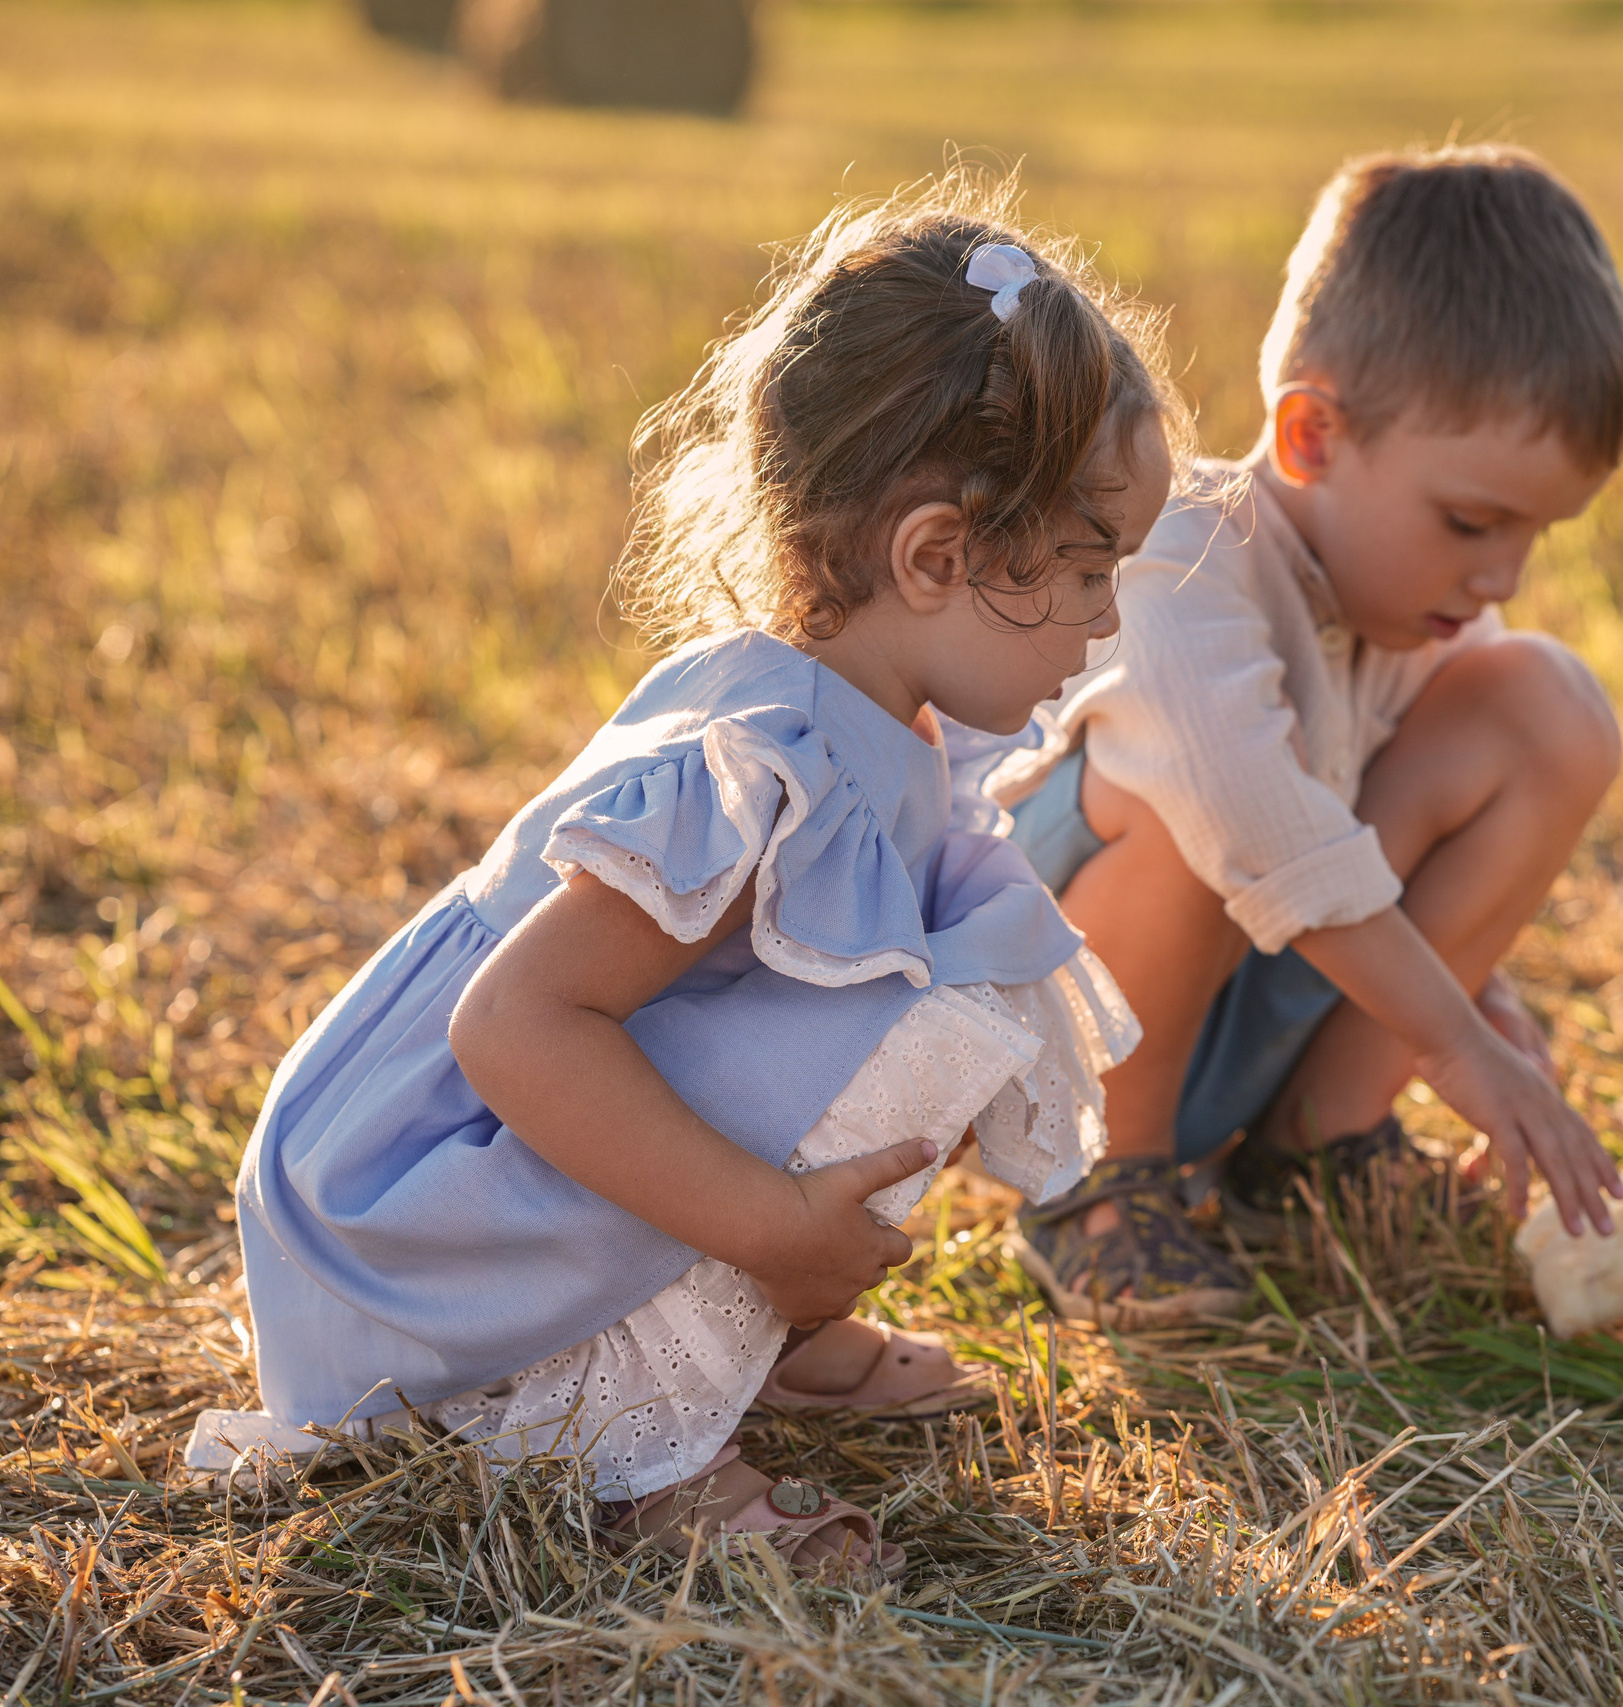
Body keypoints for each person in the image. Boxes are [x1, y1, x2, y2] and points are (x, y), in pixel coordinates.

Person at [188, 174, 1181, 1578]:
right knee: (911, 1021)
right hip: (420, 1222)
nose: (1107, 618)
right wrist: (775, 1226)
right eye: (1090, 570)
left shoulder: (884, 725)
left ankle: (759, 1344)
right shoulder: (763, 762)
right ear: (939, 554)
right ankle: (623, 1446)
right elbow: (512, 1025)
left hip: (522, 1161)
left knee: (957, 976)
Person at [998, 144, 1623, 1326]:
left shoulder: (1419, 611)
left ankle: (1309, 1152)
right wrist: (1453, 1045)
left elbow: (1347, 842)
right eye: (1468, 521)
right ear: (1310, 437)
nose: (1500, 571)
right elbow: (1253, 812)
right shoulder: (1181, 548)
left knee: (1545, 702)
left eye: (1535, 537)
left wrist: (1473, 990)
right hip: (1042, 1029)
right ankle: (1099, 1187)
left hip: (1245, 995)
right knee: (1188, 796)